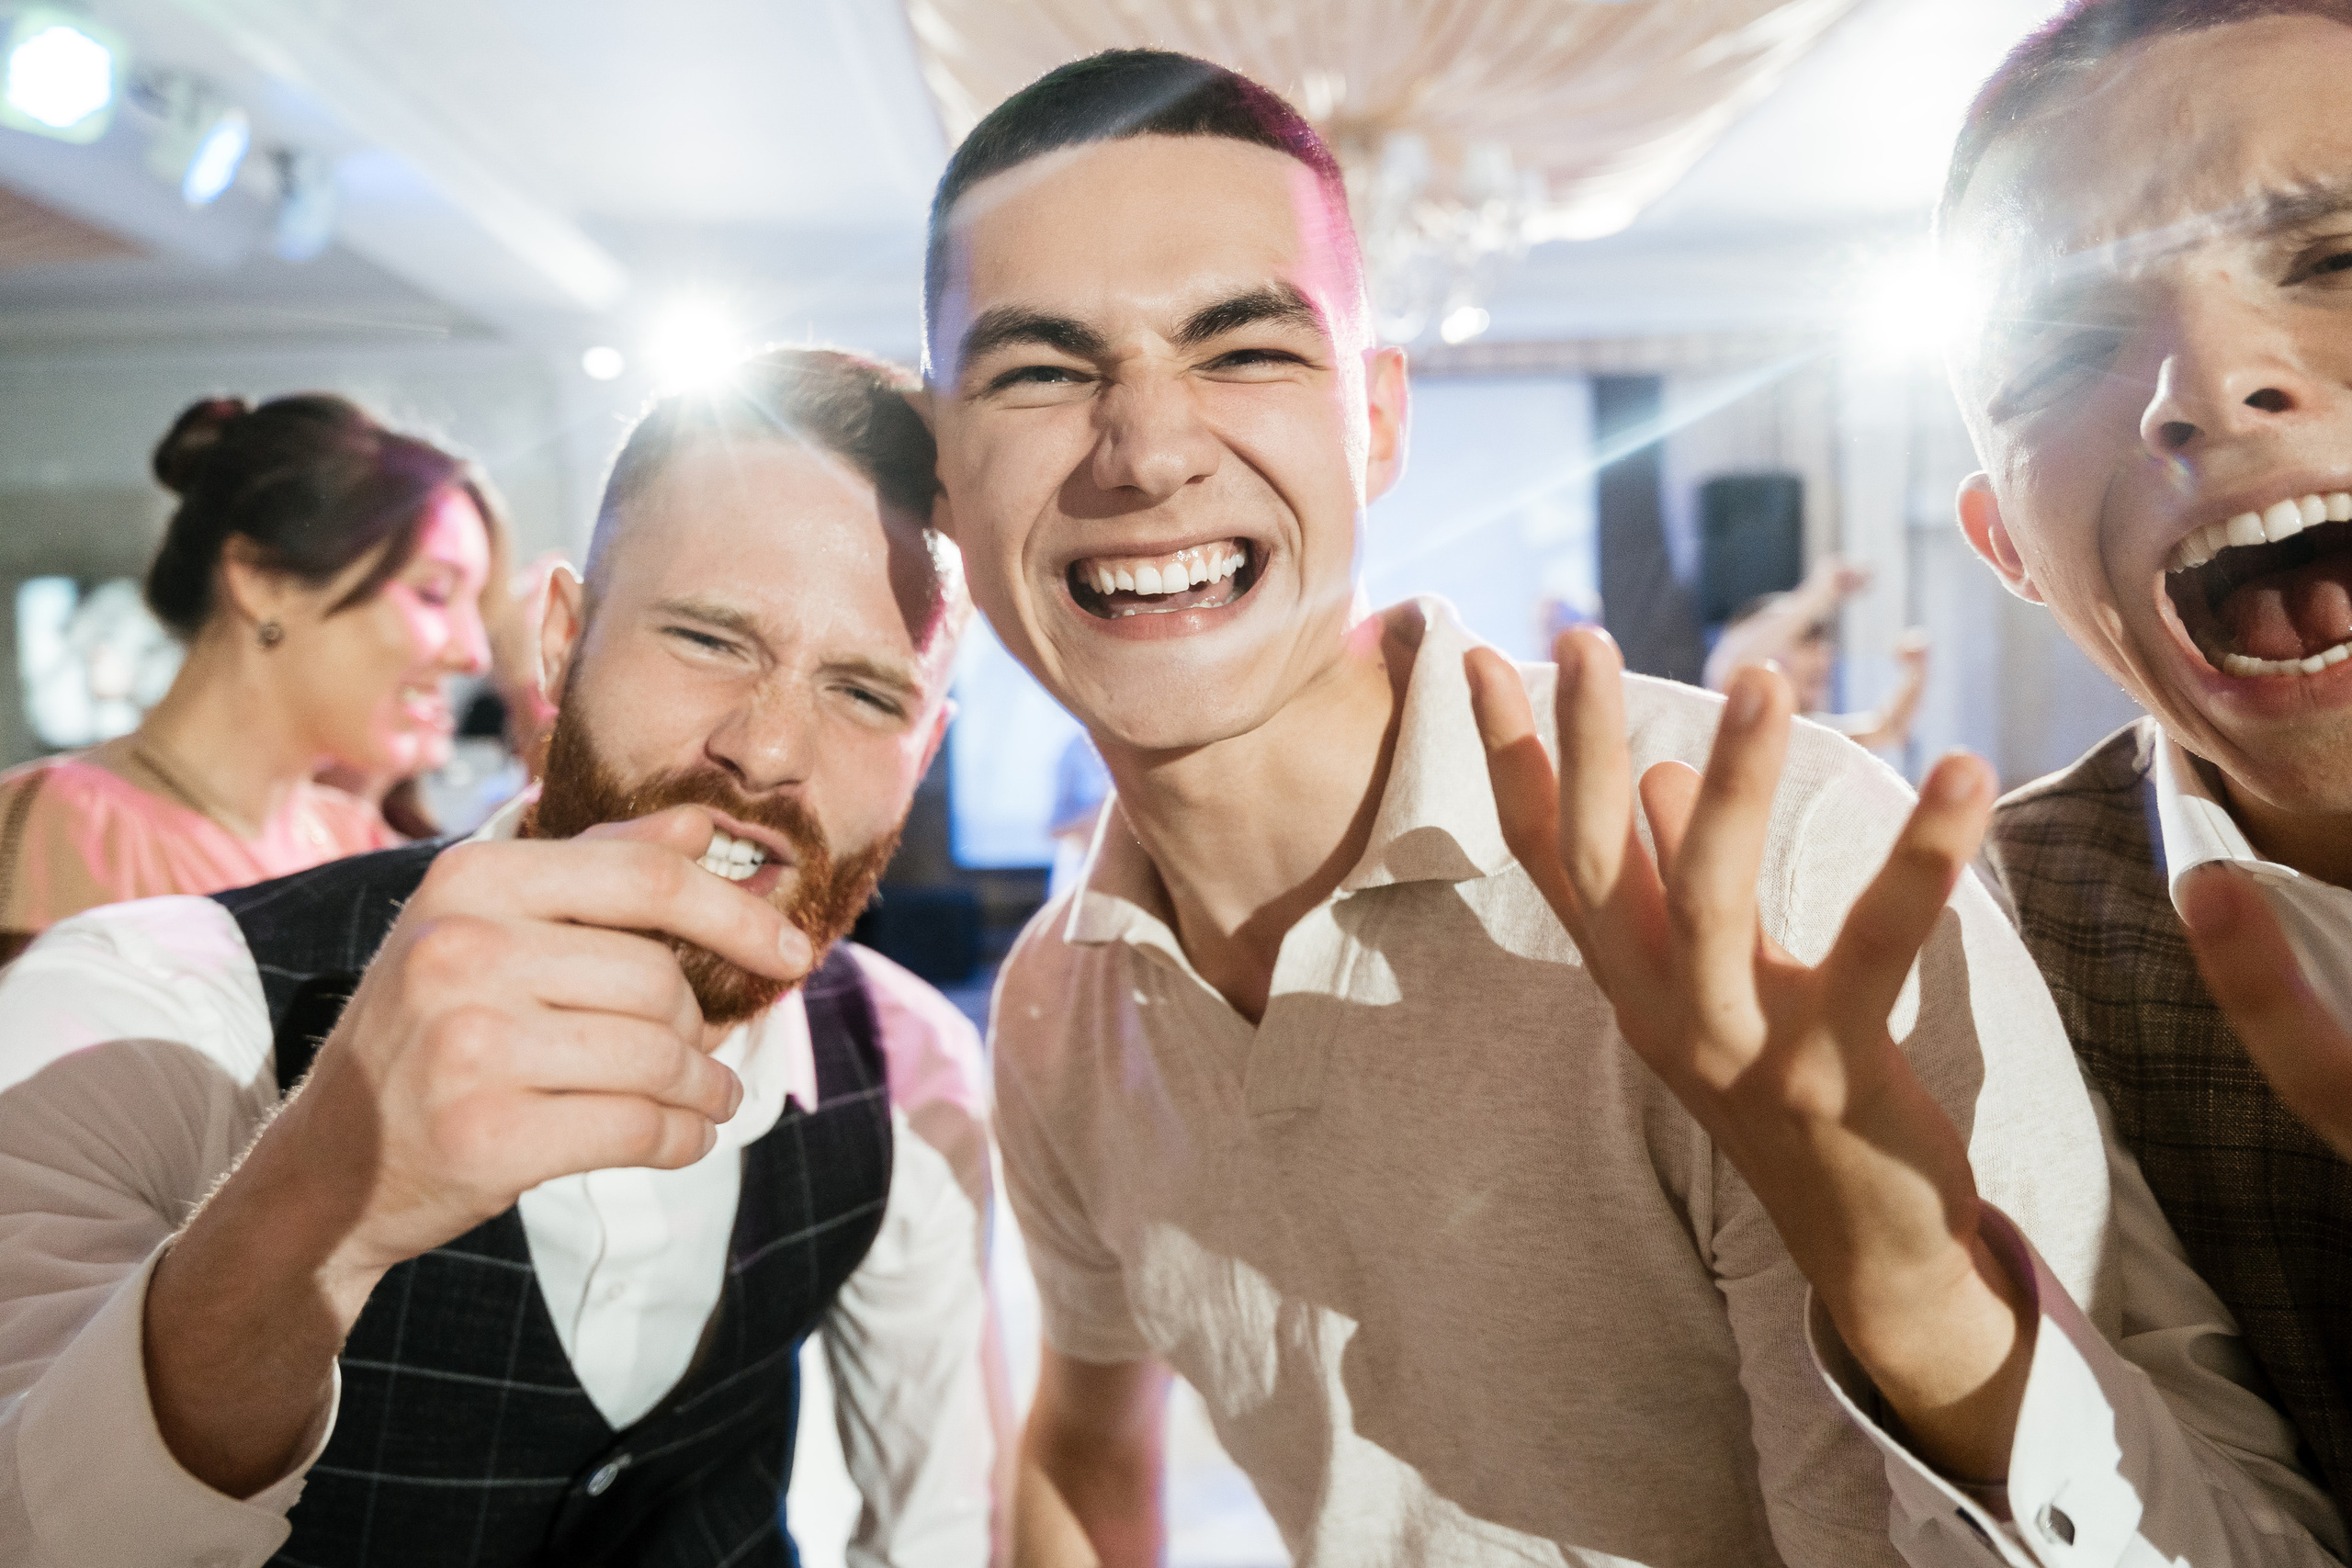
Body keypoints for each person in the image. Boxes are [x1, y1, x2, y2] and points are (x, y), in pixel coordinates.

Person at [919, 49, 2336, 1567]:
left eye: (1243, 348)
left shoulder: (1764, 862)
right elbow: (1081, 1441)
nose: (1147, 451)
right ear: (944, 470)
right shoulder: (1062, 1002)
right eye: (1042, 370)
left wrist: (1921, 1294)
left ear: (1377, 421)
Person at [0, 348, 998, 1566]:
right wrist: (321, 1195)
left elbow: (940, 1525)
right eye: (707, 638)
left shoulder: (910, 1069)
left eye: (866, 692)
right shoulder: (144, 1005)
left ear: (928, 742)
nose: (769, 748)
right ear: (565, 642)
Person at [1930, 0, 2352, 1525]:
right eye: (2063, 344)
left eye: (2335, 261)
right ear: (2011, 550)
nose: (2208, 381)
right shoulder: (2000, 949)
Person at [0, 395, 507, 960]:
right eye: (433, 593)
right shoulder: (68, 831)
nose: (474, 654)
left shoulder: (353, 840)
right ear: (263, 581)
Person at [1704, 555, 1930, 753]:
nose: (1824, 656)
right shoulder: (1722, 718)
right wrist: (1820, 591)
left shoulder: (1805, 735)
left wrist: (1915, 671)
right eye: (1806, 643)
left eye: (1822, 644)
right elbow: (1732, 663)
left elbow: (1888, 730)